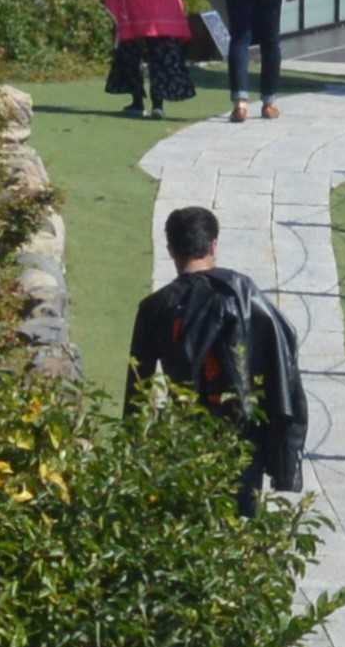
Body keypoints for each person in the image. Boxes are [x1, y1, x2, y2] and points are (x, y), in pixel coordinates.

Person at [127, 202, 307, 497]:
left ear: (170, 249)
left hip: (182, 436)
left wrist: (134, 454)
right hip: (240, 441)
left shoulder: (153, 308)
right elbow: (282, 359)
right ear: (213, 245)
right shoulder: (241, 293)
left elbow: (138, 388)